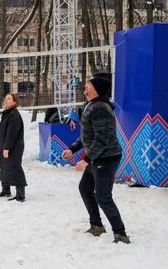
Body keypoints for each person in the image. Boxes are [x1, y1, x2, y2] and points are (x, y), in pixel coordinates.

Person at [62, 73, 130, 244]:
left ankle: (120, 234)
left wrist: (86, 159)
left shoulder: (100, 108)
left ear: (97, 89)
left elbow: (101, 139)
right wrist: (73, 148)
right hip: (96, 157)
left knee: (103, 196)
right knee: (85, 189)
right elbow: (87, 135)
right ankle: (97, 225)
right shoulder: (91, 105)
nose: (86, 85)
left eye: (89, 84)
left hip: (106, 158)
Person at [0, 93, 27, 202]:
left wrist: (7, 147)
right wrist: (0, 147)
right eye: (5, 99)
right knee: (3, 166)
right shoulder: (7, 114)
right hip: (4, 146)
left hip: (14, 147)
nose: (6, 100)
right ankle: (6, 190)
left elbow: (12, 134)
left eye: (9, 99)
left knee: (15, 167)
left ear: (15, 102)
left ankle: (20, 195)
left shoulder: (14, 115)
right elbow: (4, 133)